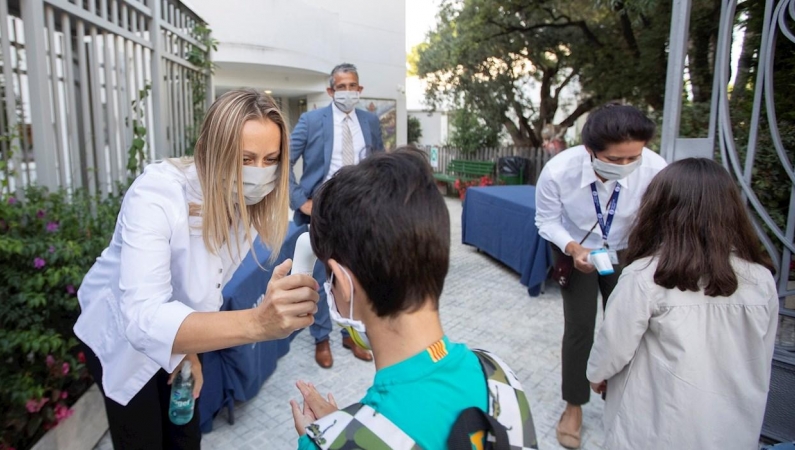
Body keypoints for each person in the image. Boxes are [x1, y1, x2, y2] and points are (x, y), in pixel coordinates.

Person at [73, 89, 320, 449]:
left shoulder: (246, 205)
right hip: (122, 339)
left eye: (271, 159)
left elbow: (206, 291)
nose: (260, 173)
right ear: (211, 151)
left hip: (180, 332)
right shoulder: (157, 193)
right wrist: (258, 323)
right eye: (246, 158)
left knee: (185, 434)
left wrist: (189, 351)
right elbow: (143, 317)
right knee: (141, 438)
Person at [289, 148, 538, 450]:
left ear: (343, 284)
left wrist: (332, 435)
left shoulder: (326, 444)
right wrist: (344, 427)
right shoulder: (500, 375)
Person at [587, 158, 779, 449]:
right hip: (732, 428)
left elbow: (613, 345)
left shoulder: (644, 276)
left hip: (656, 427)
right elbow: (762, 354)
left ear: (660, 209)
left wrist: (596, 375)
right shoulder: (761, 280)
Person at [534, 103, 667, 449]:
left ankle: (621, 397)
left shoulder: (655, 169)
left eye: (632, 158)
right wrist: (573, 248)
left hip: (627, 253)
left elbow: (662, 221)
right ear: (590, 150)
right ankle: (574, 406)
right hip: (577, 251)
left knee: (629, 327)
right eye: (616, 160)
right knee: (580, 327)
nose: (626, 166)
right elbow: (546, 221)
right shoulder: (558, 171)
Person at [289, 62, 384, 368]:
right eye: (341, 87)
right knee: (320, 277)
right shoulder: (311, 120)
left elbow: (379, 164)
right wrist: (301, 201)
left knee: (354, 278)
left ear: (360, 90)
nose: (347, 92)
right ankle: (321, 339)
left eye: (352, 86)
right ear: (331, 90)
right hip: (322, 213)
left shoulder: (370, 121)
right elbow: (282, 162)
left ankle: (349, 335)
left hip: (359, 213)